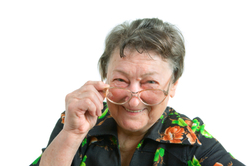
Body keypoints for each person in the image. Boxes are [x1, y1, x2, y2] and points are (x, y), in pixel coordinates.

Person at [30, 18, 245, 166]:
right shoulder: (78, 121)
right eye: (121, 80)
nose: (133, 102)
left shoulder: (191, 141)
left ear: (173, 86)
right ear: (105, 79)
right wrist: (71, 134)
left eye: (150, 82)